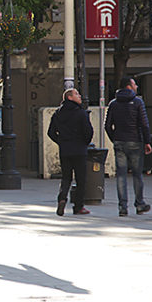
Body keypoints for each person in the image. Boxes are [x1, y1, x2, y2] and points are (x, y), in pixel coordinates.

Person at [104, 76, 152, 217]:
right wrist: (147, 141)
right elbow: (144, 124)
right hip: (135, 141)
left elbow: (107, 126)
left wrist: (115, 139)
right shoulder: (138, 102)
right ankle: (140, 204)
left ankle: (122, 207)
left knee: (121, 175)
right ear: (129, 86)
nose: (136, 86)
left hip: (119, 141)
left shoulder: (113, 103)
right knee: (137, 174)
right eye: (134, 84)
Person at [48, 88, 94, 216]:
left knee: (66, 177)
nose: (80, 96)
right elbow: (88, 131)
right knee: (81, 179)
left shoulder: (58, 113)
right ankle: (78, 206)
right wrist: (85, 143)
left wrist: (61, 141)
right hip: (79, 150)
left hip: (65, 150)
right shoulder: (81, 113)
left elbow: (51, 132)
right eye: (76, 94)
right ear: (69, 97)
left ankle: (62, 198)